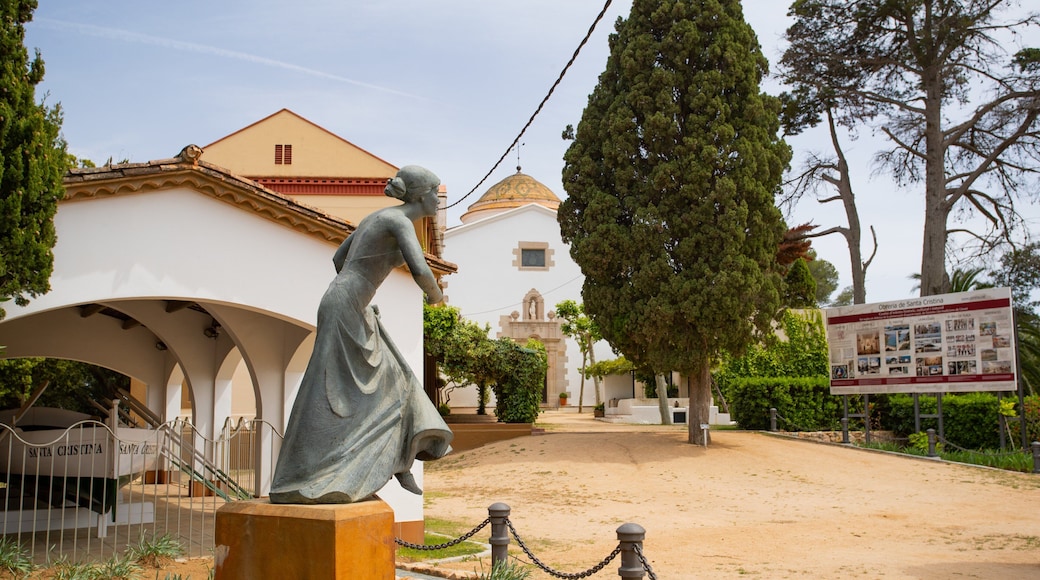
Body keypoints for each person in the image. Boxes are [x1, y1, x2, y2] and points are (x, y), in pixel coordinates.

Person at [270, 165, 453, 504]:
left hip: (346, 300)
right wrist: (439, 298)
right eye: (434, 193)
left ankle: (400, 460)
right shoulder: (399, 222)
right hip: (346, 303)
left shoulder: (379, 218)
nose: (437, 200)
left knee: (396, 378)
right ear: (420, 195)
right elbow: (421, 270)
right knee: (327, 389)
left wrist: (362, 294)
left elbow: (339, 258)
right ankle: (302, 474)